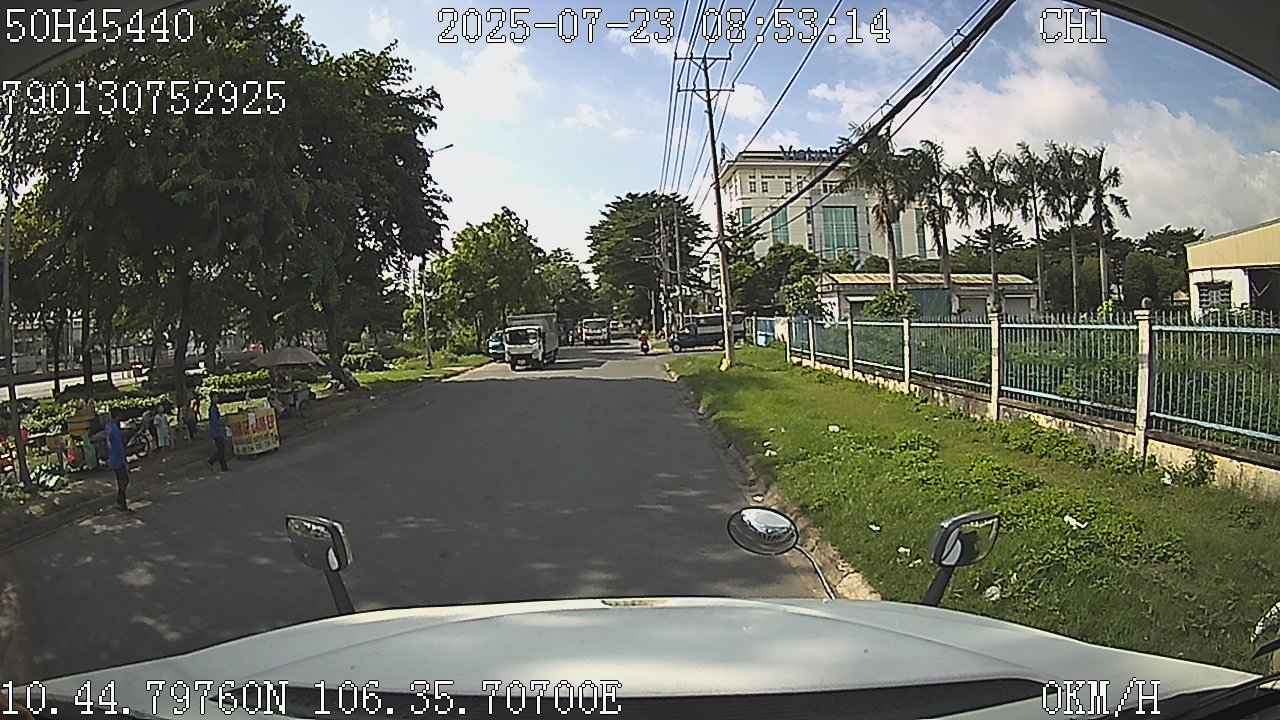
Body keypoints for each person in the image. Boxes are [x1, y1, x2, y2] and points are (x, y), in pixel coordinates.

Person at [104, 409, 132, 512]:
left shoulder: (108, 427)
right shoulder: (115, 429)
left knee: (121, 481)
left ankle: (120, 501)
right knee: (124, 480)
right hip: (118, 458)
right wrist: (124, 460)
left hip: (112, 457)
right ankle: (122, 504)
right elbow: (119, 446)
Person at [206, 393, 229, 472]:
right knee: (221, 450)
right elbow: (215, 420)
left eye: (217, 397)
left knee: (221, 449)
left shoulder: (215, 407)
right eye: (215, 397)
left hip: (218, 431)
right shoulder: (212, 409)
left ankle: (224, 467)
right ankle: (211, 461)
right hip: (216, 431)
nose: (216, 398)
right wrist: (223, 423)